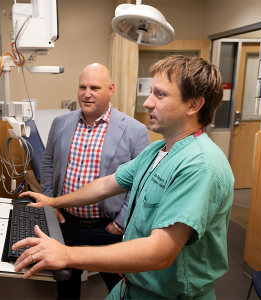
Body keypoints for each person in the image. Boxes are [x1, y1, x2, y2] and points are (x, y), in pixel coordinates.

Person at [13, 55, 235, 300]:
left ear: (194, 105)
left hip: (169, 294)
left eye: (160, 95)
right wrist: (54, 202)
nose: (148, 102)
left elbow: (160, 252)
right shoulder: (156, 150)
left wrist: (66, 254)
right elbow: (107, 184)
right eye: (151, 92)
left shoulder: (200, 166)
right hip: (133, 284)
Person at [40, 63, 150, 299]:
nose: (86, 93)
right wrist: (52, 203)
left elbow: (140, 184)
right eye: (82, 87)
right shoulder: (61, 124)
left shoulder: (134, 130)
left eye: (94, 87)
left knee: (120, 290)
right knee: (66, 288)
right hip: (66, 225)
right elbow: (48, 163)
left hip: (107, 229)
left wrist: (120, 223)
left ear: (110, 89)